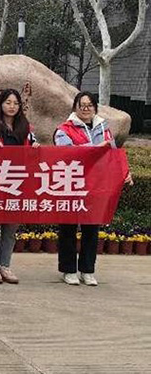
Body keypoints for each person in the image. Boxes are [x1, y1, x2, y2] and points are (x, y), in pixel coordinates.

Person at [54, 91, 132, 286]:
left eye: (89, 105)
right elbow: (67, 154)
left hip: (96, 185)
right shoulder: (63, 130)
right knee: (68, 228)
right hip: (71, 183)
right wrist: (96, 148)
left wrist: (124, 172)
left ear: (95, 108)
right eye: (82, 105)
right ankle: (68, 270)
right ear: (75, 108)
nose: (86, 109)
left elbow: (113, 154)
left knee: (91, 229)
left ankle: (87, 270)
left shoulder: (103, 129)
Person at [0, 89, 39, 285]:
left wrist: (35, 149)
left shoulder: (26, 129)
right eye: (8, 102)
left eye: (16, 103)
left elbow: (34, 153)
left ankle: (5, 265)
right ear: (0, 104)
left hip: (17, 183)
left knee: (11, 227)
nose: (12, 106)